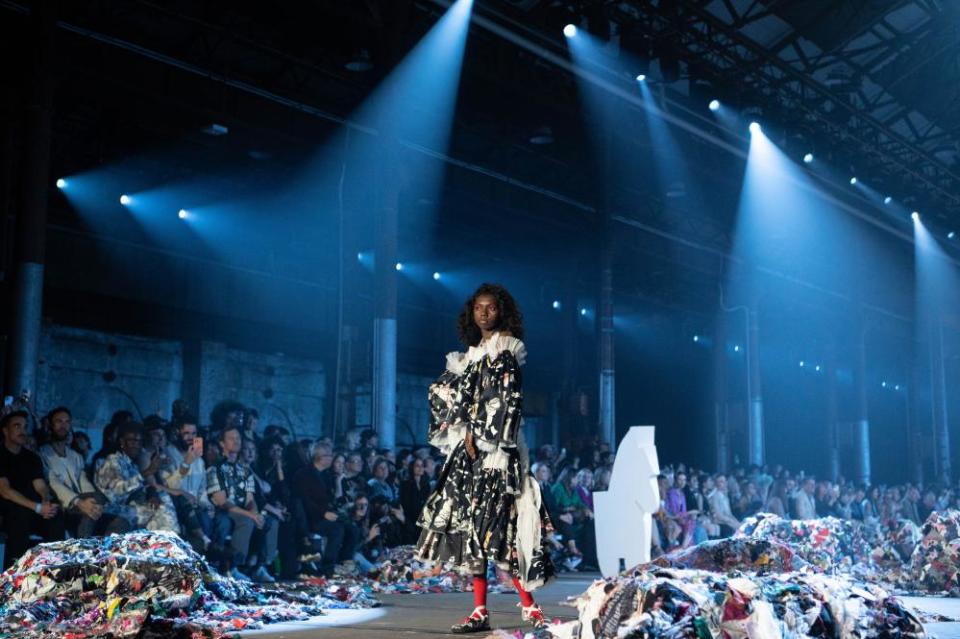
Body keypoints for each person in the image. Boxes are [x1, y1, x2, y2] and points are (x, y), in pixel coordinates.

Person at [415, 283, 554, 632]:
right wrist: (461, 429)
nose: (484, 313)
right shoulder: (472, 353)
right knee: (470, 531)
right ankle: (480, 610)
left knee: (501, 531)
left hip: (497, 454)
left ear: (501, 310)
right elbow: (453, 395)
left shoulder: (506, 350)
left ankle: (530, 608)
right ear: (471, 312)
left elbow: (504, 402)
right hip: (468, 453)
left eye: (491, 308)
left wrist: (477, 433)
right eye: (479, 308)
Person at [39, 406, 130, 537]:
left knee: (121, 522)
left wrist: (91, 501)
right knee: (94, 503)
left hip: (81, 507)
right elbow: (53, 483)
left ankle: (102, 554)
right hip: (62, 505)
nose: (63, 426)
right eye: (59, 421)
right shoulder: (43, 453)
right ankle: (83, 544)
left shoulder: (75, 456)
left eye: (67, 422)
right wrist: (79, 502)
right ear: (51, 425)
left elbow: (84, 482)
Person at [0, 410, 66, 568]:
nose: (23, 431)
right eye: (17, 426)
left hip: (32, 508)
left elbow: (40, 486)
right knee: (19, 516)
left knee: (55, 516)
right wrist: (37, 507)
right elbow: (5, 490)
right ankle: (12, 577)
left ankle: (53, 570)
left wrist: (46, 502)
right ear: (5, 431)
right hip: (7, 508)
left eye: (25, 427)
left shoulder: (31, 458)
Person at [95, 421, 180, 533]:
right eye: (132, 441)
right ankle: (167, 542)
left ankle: (167, 541)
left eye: (139, 441)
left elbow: (143, 486)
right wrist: (148, 471)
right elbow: (117, 492)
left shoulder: (131, 464)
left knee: (161, 499)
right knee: (160, 509)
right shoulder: (113, 461)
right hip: (111, 508)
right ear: (122, 442)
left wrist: (152, 494)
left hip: (131, 506)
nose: (136, 445)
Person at [207, 426, 263, 581]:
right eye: (231, 438)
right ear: (222, 443)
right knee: (245, 520)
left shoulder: (245, 470)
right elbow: (222, 501)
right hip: (222, 509)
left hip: (240, 509)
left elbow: (250, 499)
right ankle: (230, 567)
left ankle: (250, 566)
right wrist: (249, 515)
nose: (236, 441)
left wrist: (255, 513)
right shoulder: (216, 469)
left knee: (261, 520)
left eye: (238, 438)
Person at [294, 442, 357, 577]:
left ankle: (344, 563)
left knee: (352, 529)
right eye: (329, 455)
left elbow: (330, 499)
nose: (331, 459)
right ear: (321, 457)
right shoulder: (304, 474)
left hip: (325, 514)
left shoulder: (325, 475)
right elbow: (305, 501)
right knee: (337, 530)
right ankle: (328, 567)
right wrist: (323, 513)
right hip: (311, 517)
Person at [162, 416, 213, 552]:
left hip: (195, 507)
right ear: (178, 433)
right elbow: (169, 485)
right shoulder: (168, 453)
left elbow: (202, 490)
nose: (190, 437)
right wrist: (187, 462)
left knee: (208, 517)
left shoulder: (199, 460)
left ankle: (211, 560)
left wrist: (207, 505)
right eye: (186, 433)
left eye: (193, 433)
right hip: (175, 505)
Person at [399, 458, 431, 544]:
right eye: (417, 466)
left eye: (422, 466)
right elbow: (405, 503)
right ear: (412, 468)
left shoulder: (426, 485)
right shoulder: (405, 484)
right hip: (410, 518)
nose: (420, 468)